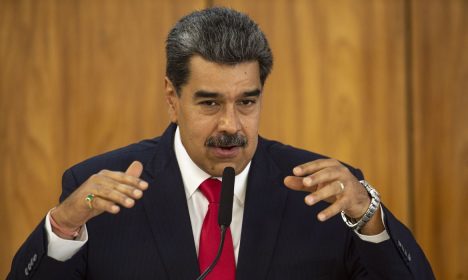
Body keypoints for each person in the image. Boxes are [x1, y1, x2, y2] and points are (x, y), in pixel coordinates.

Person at [8, 7, 434, 280]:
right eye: (210, 102)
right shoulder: (97, 190)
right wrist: (62, 227)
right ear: (172, 99)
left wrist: (370, 218)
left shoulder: (326, 194)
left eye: (246, 101)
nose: (231, 125)